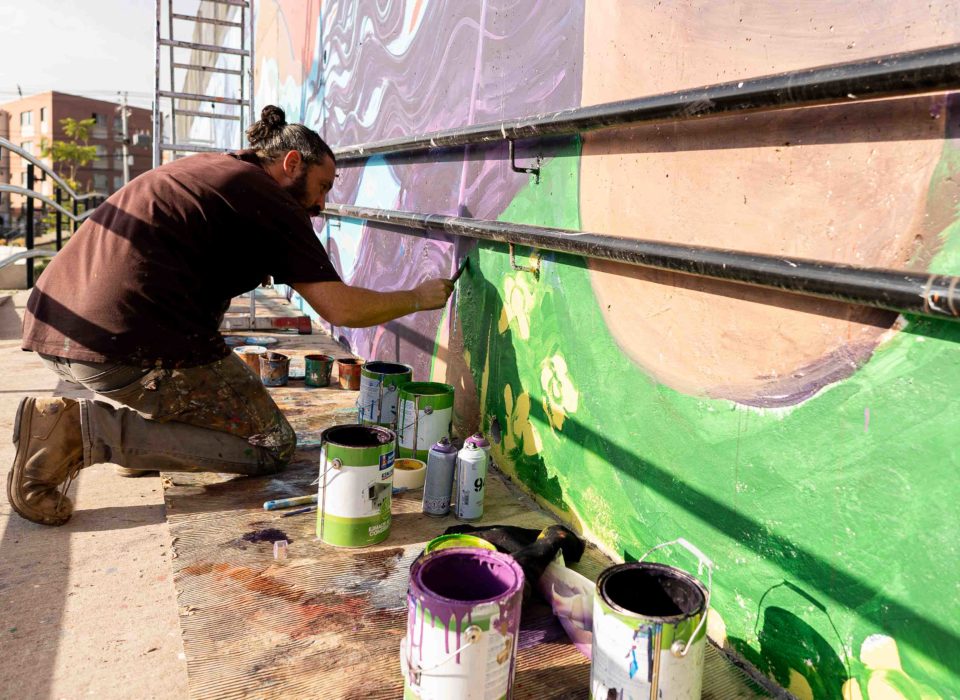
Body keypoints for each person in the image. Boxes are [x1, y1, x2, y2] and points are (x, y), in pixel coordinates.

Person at [8, 105, 454, 526]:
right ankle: (82, 432)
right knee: (270, 444)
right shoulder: (272, 201)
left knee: (215, 388)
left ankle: (142, 446)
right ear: (292, 163)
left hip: (57, 328)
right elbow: (340, 308)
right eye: (323, 186)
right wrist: (417, 297)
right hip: (117, 349)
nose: (322, 204)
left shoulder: (215, 171)